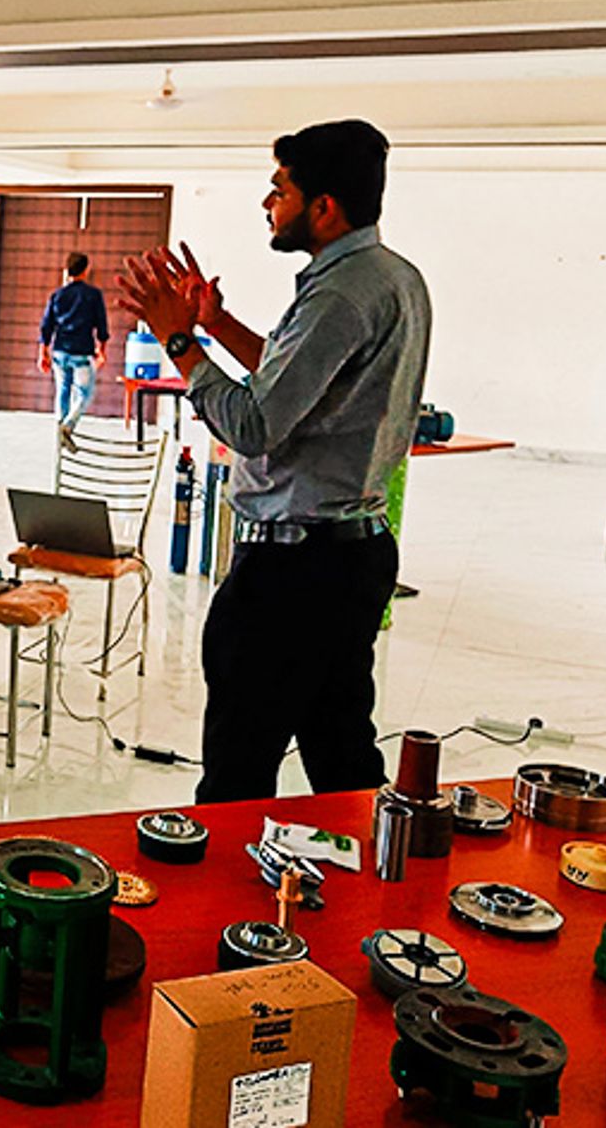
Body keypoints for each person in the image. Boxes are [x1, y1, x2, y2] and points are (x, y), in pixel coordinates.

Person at [116, 119, 430, 804]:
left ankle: (228, 911)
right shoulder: (392, 278)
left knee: (238, 769)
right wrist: (215, 325)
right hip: (351, 557)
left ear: (324, 207)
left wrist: (177, 340)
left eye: (279, 190)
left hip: (296, 573)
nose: (268, 204)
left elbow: (255, 423)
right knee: (342, 758)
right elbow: (304, 386)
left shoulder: (339, 295)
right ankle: (368, 898)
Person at [38, 252, 108, 450]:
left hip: (60, 351)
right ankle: (68, 426)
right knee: (84, 393)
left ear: (67, 270)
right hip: (82, 353)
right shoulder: (94, 295)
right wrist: (102, 350)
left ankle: (60, 427)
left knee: (63, 390)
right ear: (86, 270)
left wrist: (42, 352)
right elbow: (101, 325)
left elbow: (46, 326)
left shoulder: (57, 295)